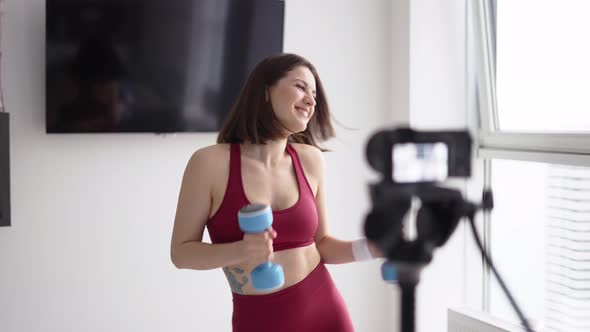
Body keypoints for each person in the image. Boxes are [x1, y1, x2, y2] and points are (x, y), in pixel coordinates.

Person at [170, 53, 382, 332]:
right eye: (301, 86)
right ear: (265, 92)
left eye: (314, 93)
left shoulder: (310, 160)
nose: (311, 100)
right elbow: (181, 254)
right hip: (260, 320)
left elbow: (323, 245)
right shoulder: (209, 163)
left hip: (326, 311)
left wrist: (373, 247)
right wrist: (241, 250)